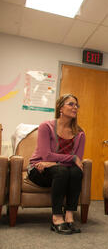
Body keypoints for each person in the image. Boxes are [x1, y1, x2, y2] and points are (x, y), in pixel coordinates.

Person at [28, 94, 85, 235]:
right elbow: (46, 155)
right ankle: (57, 218)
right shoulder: (46, 127)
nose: (75, 108)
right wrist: (70, 158)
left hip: (59, 169)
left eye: (76, 105)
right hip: (38, 169)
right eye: (71, 104)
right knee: (62, 171)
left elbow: (78, 161)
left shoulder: (80, 133)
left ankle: (69, 215)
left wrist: (54, 162)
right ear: (60, 107)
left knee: (77, 172)